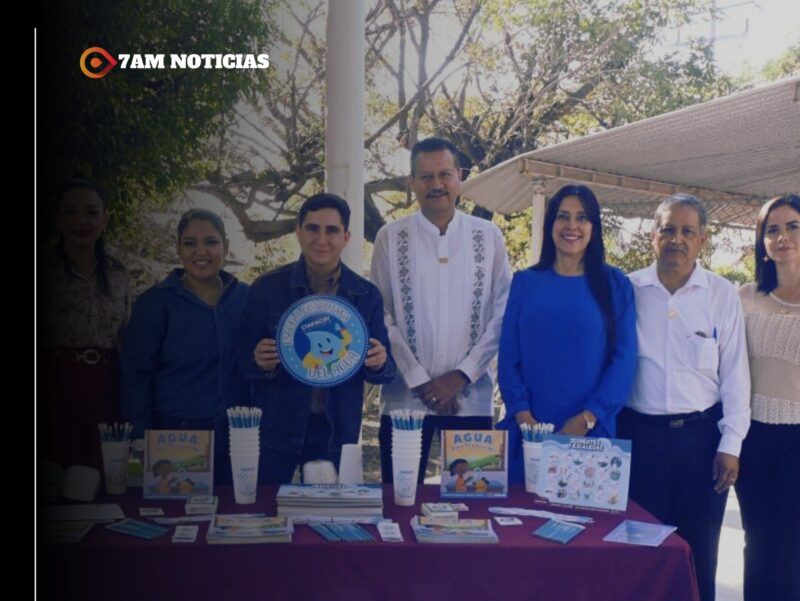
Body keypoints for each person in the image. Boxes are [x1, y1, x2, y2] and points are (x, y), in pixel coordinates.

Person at [617, 193, 751, 601]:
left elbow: (737, 375)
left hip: (700, 442)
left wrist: (731, 443)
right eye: (668, 229)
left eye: (687, 231)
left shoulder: (721, 295)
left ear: (702, 240)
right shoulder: (626, 291)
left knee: (699, 552)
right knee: (644, 550)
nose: (676, 240)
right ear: (652, 235)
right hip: (640, 439)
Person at [371, 137, 512, 482]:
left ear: (459, 176)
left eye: (444, 175)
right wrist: (421, 382)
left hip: (472, 399)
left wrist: (461, 376)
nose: (436, 185)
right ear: (412, 183)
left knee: (474, 500)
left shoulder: (488, 236)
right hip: (405, 399)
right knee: (399, 498)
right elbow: (380, 314)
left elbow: (504, 311)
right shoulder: (390, 237)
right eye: (426, 177)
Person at [239, 192, 394, 483]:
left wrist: (378, 362)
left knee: (327, 519)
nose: (321, 239)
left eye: (332, 230)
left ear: (346, 237)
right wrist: (258, 360)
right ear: (298, 232)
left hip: (337, 431)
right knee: (271, 513)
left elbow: (385, 371)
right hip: (278, 429)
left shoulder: (366, 295)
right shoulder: (266, 289)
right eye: (312, 228)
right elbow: (243, 362)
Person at [497, 184, 637, 484]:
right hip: (527, 434)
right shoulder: (525, 282)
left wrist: (587, 418)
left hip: (591, 435)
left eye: (582, 217)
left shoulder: (616, 284)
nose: (572, 226)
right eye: (563, 216)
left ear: (594, 227)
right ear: (551, 224)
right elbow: (508, 357)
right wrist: (524, 417)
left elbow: (624, 361)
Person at [121, 209, 249, 484]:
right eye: (190, 243)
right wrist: (143, 441)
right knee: (179, 519)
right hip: (175, 438)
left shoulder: (247, 299)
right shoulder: (155, 304)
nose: (200, 252)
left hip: (238, 435)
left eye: (211, 242)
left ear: (226, 246)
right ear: (178, 249)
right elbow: (134, 377)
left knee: (234, 517)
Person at [735, 193, 799, 601]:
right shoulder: (743, 298)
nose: (782, 237)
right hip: (753, 436)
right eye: (773, 229)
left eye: (793, 226)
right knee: (758, 542)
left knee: (792, 547)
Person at [40, 178, 130, 471]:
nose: (81, 221)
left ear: (104, 219)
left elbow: (125, 334)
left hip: (108, 382)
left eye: (91, 212)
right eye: (70, 212)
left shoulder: (118, 274)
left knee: (104, 471)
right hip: (54, 381)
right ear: (57, 217)